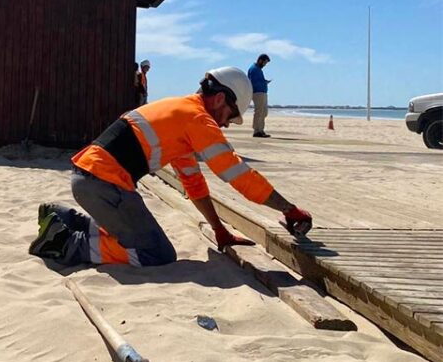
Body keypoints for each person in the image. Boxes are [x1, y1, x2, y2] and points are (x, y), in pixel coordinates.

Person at [29, 66, 312, 267]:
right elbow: (237, 174)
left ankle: (64, 219)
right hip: (104, 185)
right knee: (155, 253)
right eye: (230, 115)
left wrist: (219, 229)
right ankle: (65, 243)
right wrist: (289, 209)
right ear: (219, 99)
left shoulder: (179, 115)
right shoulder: (198, 120)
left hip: (89, 179)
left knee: (135, 236)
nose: (226, 124)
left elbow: (194, 183)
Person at [247, 54, 271, 138]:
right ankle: (257, 130)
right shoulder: (253, 69)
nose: (265, 65)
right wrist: (264, 83)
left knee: (264, 112)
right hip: (257, 92)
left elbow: (258, 80)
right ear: (260, 60)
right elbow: (253, 82)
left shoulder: (258, 69)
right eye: (264, 62)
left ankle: (260, 129)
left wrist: (264, 82)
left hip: (262, 92)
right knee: (259, 111)